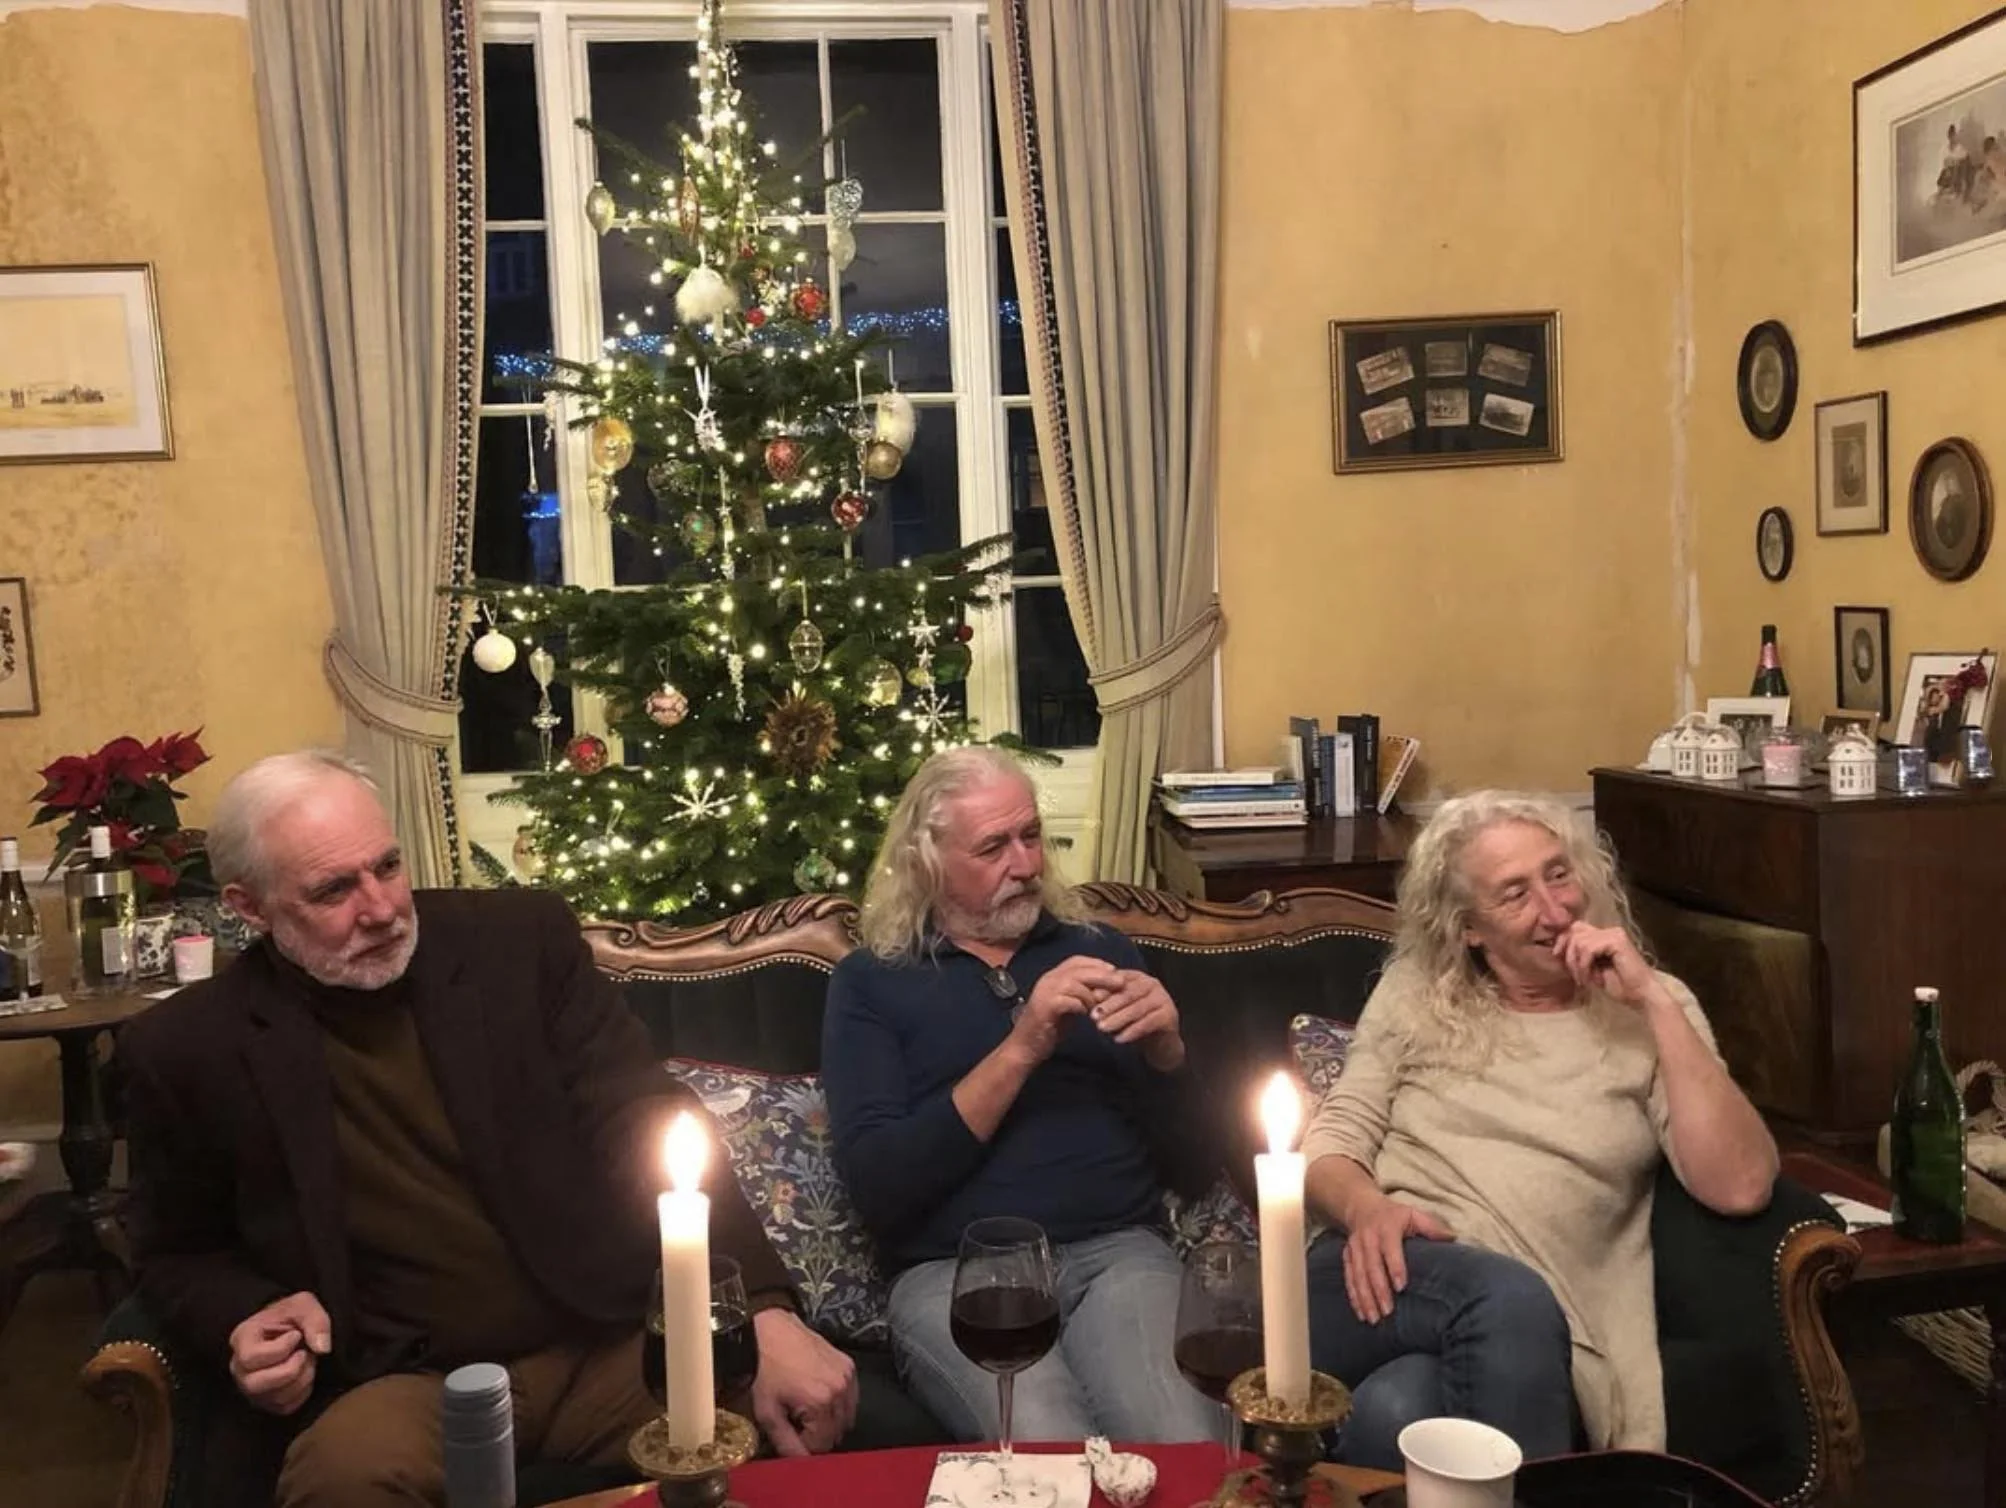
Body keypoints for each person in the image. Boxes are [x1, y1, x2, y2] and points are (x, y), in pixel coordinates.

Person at [119, 750, 860, 1508]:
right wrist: (242, 1316)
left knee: (771, 1421)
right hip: (404, 1381)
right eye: (333, 890)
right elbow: (174, 1247)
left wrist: (762, 1311)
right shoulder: (187, 1049)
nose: (379, 908)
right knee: (340, 1482)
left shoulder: (515, 944)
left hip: (603, 1339)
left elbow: (645, 1115)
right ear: (250, 907)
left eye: (387, 865)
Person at [1301, 790, 1777, 1469]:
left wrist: (1654, 1004)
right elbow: (1333, 1139)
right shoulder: (1417, 991)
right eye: (1515, 894)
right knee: (1505, 1294)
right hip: (1375, 1277)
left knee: (1398, 1406)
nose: (1555, 910)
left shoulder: (1652, 1009)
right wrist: (1366, 1207)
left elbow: (1742, 1185)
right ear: (1468, 927)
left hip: (1523, 1323)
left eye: (1559, 873)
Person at [821, 746, 1217, 1444]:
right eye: (994, 846)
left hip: (1118, 1254)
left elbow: (1192, 1167)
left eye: (1031, 835)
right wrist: (1023, 1047)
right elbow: (881, 1185)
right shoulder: (872, 983)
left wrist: (1169, 1054)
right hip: (956, 1274)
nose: (1027, 865)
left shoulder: (1103, 952)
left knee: (1180, 1442)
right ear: (927, 861)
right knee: (1044, 1453)